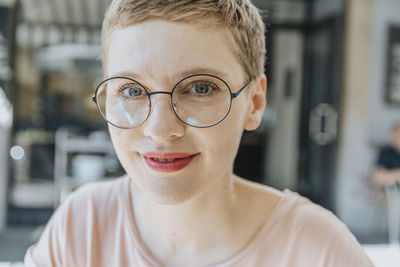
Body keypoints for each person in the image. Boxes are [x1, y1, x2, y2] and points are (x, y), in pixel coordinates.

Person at [25, 0, 373, 266]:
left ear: (254, 103)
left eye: (201, 88)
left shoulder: (318, 251)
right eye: (131, 90)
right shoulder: (80, 229)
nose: (160, 130)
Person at [373, 122, 400, 187]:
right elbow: (378, 178)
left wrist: (389, 175)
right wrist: (397, 175)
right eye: (395, 134)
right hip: (391, 195)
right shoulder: (386, 152)